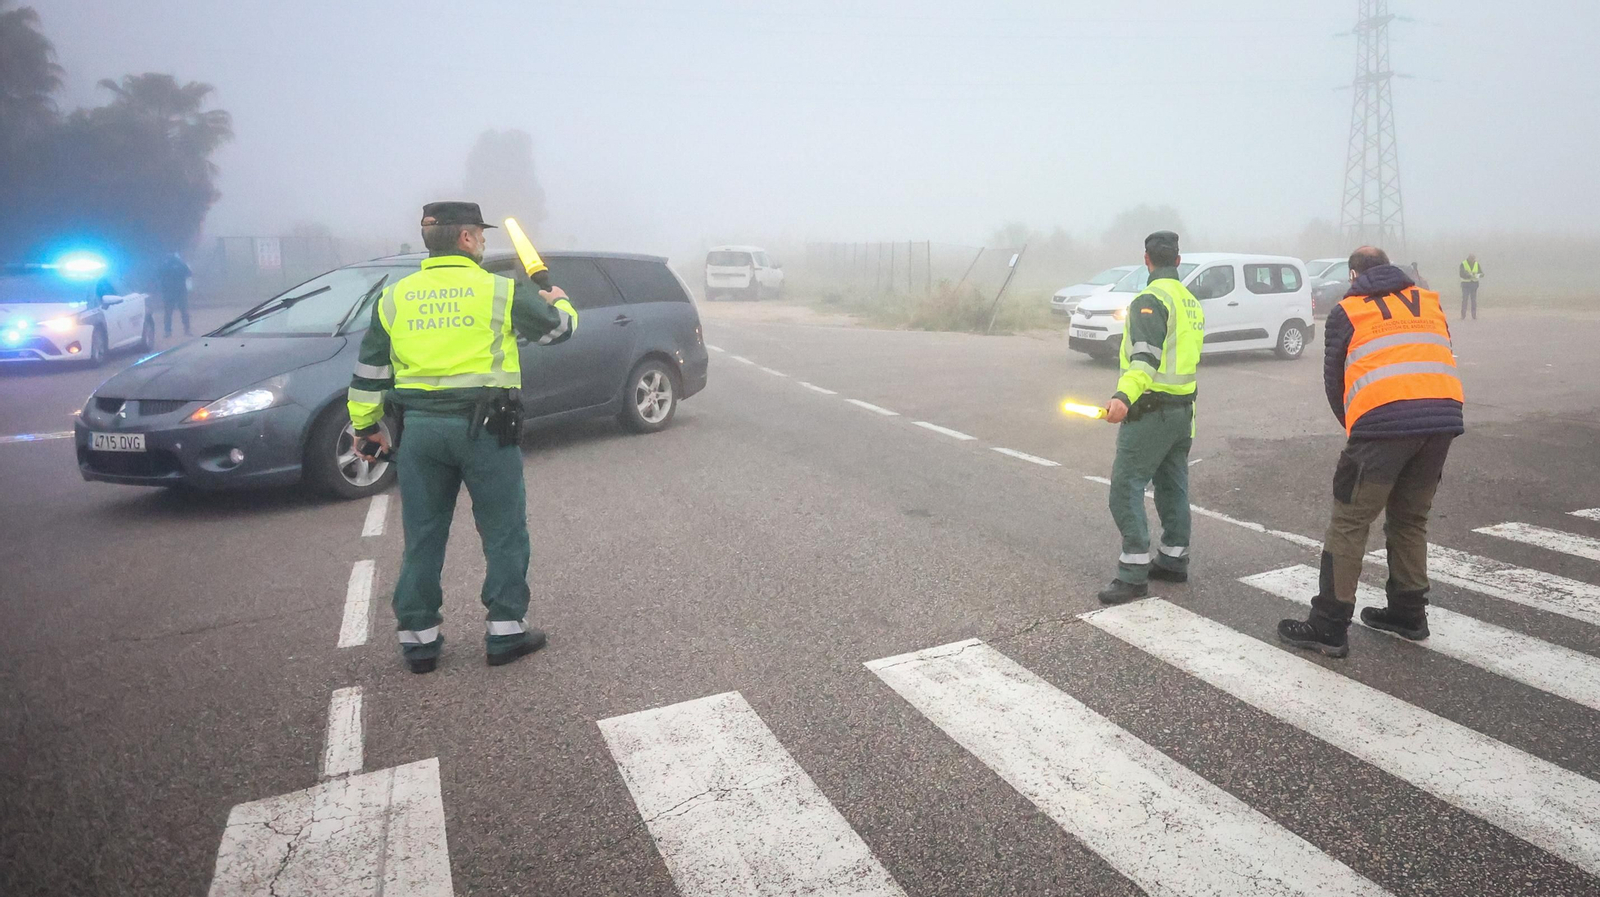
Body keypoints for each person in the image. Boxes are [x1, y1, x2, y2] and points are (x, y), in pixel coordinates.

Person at [347, 201, 579, 674]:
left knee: (423, 536)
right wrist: (559, 300)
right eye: (481, 234)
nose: (485, 242)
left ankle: (419, 642)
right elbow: (558, 331)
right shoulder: (499, 290)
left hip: (420, 433)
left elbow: (370, 371)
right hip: (488, 431)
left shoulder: (394, 298)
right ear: (466, 238)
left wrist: (366, 427)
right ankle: (506, 632)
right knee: (503, 532)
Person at [1278, 246, 1464, 657]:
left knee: (1350, 520)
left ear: (1353, 275)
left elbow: (1335, 380)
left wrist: (1356, 426)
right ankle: (1408, 613)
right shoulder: (1428, 302)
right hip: (1442, 421)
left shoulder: (1349, 310)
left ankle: (1328, 625)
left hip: (1382, 425)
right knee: (1410, 518)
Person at [1096, 231, 1205, 604]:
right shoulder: (1190, 302)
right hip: (1183, 414)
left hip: (1151, 412)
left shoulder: (1150, 299)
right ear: (1178, 260)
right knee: (1172, 487)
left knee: (1125, 488)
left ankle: (1133, 574)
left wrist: (1123, 396)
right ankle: (1174, 559)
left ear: (1146, 260)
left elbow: (1144, 358)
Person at [158, 252, 192, 337]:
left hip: (172, 292)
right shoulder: (180, 263)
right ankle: (186, 330)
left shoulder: (166, 264)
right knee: (181, 312)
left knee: (170, 313)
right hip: (178, 291)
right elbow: (189, 273)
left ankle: (168, 332)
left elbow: (159, 276)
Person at [1458, 253, 1482, 320]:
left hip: (1474, 285)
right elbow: (1461, 273)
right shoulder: (1463, 264)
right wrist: (1468, 275)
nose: (1472, 260)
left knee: (1473, 300)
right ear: (1468, 258)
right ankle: (1463, 315)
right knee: (1465, 300)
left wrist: (1478, 275)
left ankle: (1474, 315)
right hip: (1465, 285)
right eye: (1471, 258)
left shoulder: (1476, 264)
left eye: (1473, 258)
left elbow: (1481, 273)